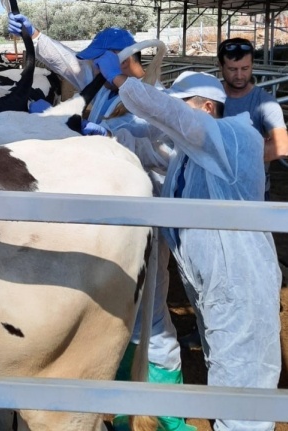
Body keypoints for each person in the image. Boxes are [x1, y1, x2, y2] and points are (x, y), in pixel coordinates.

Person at [9, 15, 194, 431]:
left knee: (153, 316)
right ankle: (132, 404)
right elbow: (71, 65)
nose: (92, 70)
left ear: (120, 59)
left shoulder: (152, 98)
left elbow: (161, 154)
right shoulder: (110, 90)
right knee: (124, 313)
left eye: (101, 62)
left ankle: (165, 414)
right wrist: (34, 35)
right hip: (119, 224)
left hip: (148, 223)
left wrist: (104, 138)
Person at [96, 54, 282, 431]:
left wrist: (123, 82)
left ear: (207, 107)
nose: (174, 118)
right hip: (212, 285)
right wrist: (109, 137)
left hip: (239, 283)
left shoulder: (234, 136)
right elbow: (153, 144)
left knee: (242, 390)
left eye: (184, 105)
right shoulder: (190, 155)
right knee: (224, 370)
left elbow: (169, 115)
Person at [217, 37, 288, 200]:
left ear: (252, 66)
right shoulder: (212, 97)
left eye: (245, 68)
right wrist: (255, 147)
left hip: (253, 190)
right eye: (232, 69)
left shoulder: (264, 102)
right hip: (216, 187)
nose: (240, 75)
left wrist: (228, 158)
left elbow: (282, 146)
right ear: (220, 66)